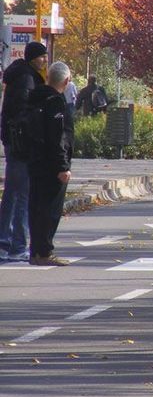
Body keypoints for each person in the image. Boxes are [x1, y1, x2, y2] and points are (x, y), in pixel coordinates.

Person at [0, 41, 48, 263]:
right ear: (32, 57)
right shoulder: (27, 79)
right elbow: (24, 113)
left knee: (11, 193)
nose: (45, 60)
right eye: (42, 56)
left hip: (13, 143)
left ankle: (4, 242)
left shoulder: (18, 75)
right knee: (22, 194)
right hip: (21, 145)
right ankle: (17, 245)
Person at [27, 61, 74, 266]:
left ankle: (36, 251)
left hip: (34, 161)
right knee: (50, 209)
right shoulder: (55, 102)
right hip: (52, 165)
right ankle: (44, 252)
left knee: (36, 206)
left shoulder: (34, 98)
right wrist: (63, 167)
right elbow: (58, 137)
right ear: (66, 81)